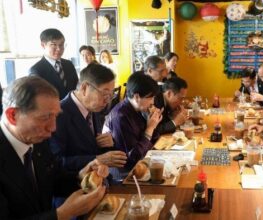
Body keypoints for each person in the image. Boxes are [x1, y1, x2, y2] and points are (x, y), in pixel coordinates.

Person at [0, 76, 108, 219]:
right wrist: (62, 214)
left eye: (55, 116)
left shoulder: (38, 141)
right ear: (13, 115)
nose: (53, 128)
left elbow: (52, 180)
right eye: (45, 118)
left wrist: (80, 176)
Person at [50, 63, 127, 172]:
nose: (107, 101)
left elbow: (93, 147)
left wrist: (109, 143)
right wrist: (97, 159)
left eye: (111, 95)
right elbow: (56, 162)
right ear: (85, 88)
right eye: (104, 94)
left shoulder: (93, 108)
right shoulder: (58, 114)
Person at [104, 73, 162, 171]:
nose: (153, 102)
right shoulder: (120, 116)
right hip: (125, 173)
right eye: (150, 98)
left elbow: (153, 142)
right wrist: (150, 128)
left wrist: (153, 123)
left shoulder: (139, 109)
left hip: (142, 163)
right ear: (136, 97)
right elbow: (132, 158)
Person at [29, 28, 78, 100]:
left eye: (61, 45)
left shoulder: (69, 64)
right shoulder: (36, 70)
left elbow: (76, 89)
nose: (58, 49)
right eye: (53, 45)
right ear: (43, 45)